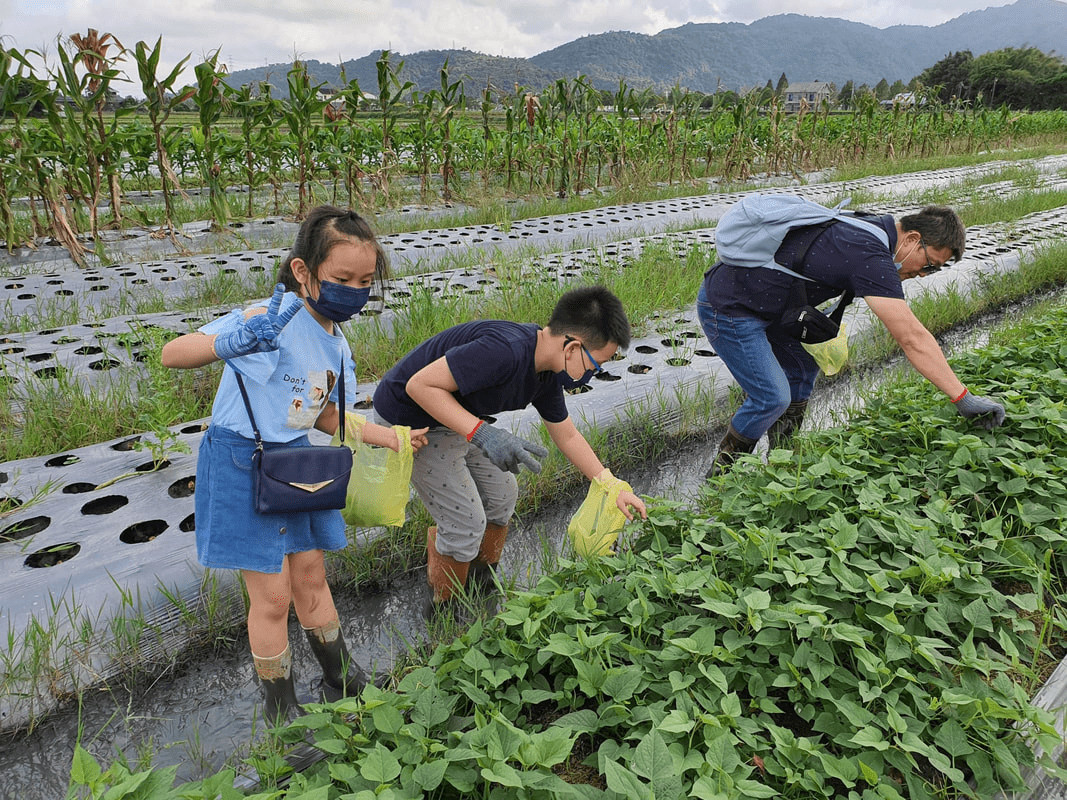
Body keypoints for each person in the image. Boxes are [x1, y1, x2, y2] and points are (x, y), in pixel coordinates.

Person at [161, 205, 427, 723]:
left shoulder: (335, 338)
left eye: (366, 280)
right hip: (242, 460)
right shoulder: (269, 319)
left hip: (297, 465)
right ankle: (281, 711)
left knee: (310, 579)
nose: (355, 289)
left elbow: (323, 414)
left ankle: (340, 677)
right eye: (342, 278)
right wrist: (226, 342)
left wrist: (388, 438)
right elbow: (174, 353)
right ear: (303, 272)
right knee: (273, 595)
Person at [372, 285, 648, 611]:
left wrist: (610, 484)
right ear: (572, 347)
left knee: (503, 494)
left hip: (453, 419)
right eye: (595, 364)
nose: (594, 372)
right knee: (465, 521)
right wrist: (484, 435)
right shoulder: (504, 351)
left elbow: (567, 435)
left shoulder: (547, 372)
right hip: (411, 420)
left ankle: (481, 583)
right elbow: (418, 386)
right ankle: (444, 611)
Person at [697, 202, 1006, 477]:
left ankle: (782, 465)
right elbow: (911, 337)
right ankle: (721, 477)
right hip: (729, 307)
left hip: (769, 306)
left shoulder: (873, 230)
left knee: (802, 371)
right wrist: (962, 398)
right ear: (912, 239)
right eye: (929, 265)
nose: (924, 274)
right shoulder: (868, 253)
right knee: (772, 397)